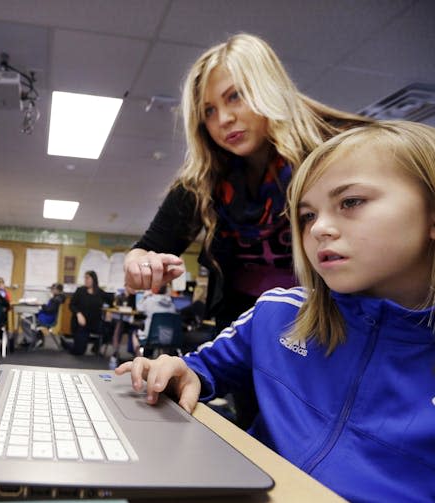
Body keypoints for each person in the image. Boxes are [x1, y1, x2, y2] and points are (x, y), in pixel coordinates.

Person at [117, 121, 435, 502]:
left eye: (351, 202)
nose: (320, 228)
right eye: (308, 215)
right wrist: (178, 371)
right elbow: (199, 369)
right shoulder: (279, 314)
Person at [123, 33, 372, 425]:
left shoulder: (333, 151)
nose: (223, 119)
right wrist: (142, 263)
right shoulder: (204, 179)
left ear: (266, 88)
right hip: (250, 329)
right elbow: (146, 247)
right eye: (208, 111)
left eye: (235, 97)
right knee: (263, 427)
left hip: (331, 320)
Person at [62, 270, 111, 355]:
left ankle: (95, 347)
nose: (86, 280)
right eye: (85, 278)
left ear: (94, 279)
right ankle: (67, 344)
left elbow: (111, 301)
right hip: (81, 324)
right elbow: (71, 305)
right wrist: (78, 314)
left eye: (88, 278)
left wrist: (109, 311)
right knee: (79, 351)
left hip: (95, 323)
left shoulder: (100, 292)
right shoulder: (80, 291)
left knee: (110, 329)